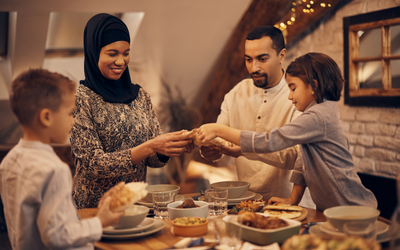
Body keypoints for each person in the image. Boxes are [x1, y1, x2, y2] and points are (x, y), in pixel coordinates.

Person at [198, 52, 378, 211]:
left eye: (293, 88)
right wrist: (294, 199)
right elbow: (303, 161)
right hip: (331, 209)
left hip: (352, 208)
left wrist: (219, 129)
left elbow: (272, 140)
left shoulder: (318, 115)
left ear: (313, 86)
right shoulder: (318, 113)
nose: (290, 96)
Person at [70, 13, 192, 209]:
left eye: (126, 53)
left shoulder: (140, 95)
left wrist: (167, 148)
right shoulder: (80, 99)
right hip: (94, 209)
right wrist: (151, 146)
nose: (121, 61)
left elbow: (153, 159)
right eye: (112, 53)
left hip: (134, 206)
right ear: (94, 52)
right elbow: (93, 164)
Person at [0, 69, 124, 250]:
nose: (73, 121)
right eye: (70, 113)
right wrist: (100, 221)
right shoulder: (55, 169)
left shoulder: (8, 162)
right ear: (46, 117)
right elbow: (57, 235)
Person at [200, 26, 308, 203]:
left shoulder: (298, 95)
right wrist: (212, 151)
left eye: (262, 59)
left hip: (290, 203)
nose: (254, 68)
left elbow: (296, 158)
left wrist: (246, 148)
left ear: (282, 55)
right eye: (248, 59)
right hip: (246, 202)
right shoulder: (236, 93)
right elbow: (220, 137)